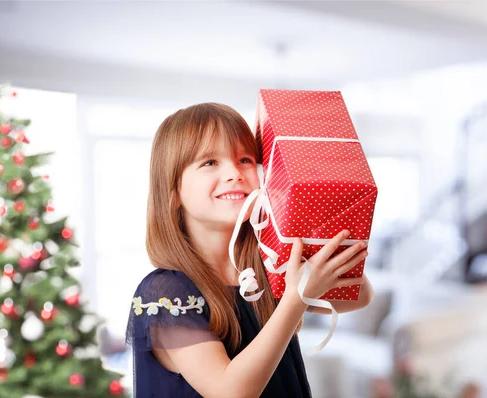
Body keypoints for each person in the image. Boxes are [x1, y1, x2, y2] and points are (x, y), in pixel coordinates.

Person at [125, 102, 374, 397]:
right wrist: (296, 298)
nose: (235, 173)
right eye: (209, 162)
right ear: (174, 191)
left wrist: (308, 223)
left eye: (245, 159)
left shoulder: (265, 269)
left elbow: (359, 295)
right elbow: (231, 392)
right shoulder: (165, 292)